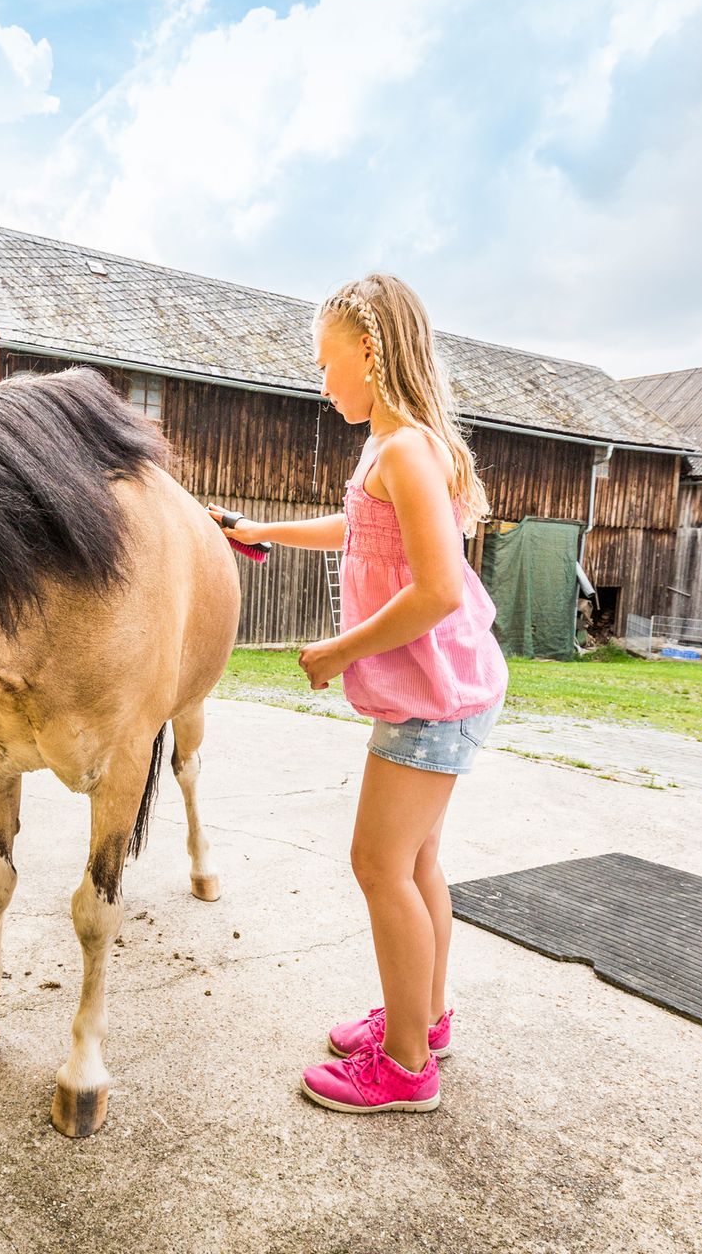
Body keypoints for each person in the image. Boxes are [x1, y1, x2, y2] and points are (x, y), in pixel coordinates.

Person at [211, 274, 507, 1114]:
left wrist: (340, 650)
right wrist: (262, 528)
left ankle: (406, 1069)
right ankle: (426, 1017)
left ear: (370, 353)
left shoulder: (407, 448)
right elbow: (362, 528)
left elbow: (441, 589)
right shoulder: (391, 449)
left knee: (378, 864)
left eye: (326, 361)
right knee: (415, 864)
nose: (321, 379)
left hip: (432, 697)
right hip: (445, 691)